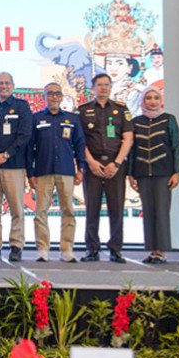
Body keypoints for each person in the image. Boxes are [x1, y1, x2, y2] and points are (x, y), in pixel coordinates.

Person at [27, 82, 86, 262]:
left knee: (68, 210)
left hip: (67, 171)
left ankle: (67, 249)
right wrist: (30, 173)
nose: (53, 96)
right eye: (50, 93)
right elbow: (30, 148)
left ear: (61, 97)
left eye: (57, 94)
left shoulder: (72, 119)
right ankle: (43, 248)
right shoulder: (36, 119)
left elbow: (80, 145)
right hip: (43, 171)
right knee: (41, 211)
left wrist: (81, 169)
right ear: (44, 97)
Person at [78, 73, 134, 263]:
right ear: (92, 88)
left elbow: (128, 138)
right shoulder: (83, 111)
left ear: (111, 88)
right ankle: (92, 249)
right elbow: (80, 141)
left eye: (107, 85)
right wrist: (91, 163)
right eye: (99, 85)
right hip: (92, 165)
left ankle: (116, 249)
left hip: (115, 165)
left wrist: (117, 163)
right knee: (92, 208)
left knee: (116, 208)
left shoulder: (121, 109)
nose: (103, 88)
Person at [0, 72, 32, 262]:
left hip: (14, 166)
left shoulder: (22, 106)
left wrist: (5, 155)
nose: (3, 86)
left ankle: (16, 245)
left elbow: (25, 135)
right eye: (0, 83)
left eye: (7, 83)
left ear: (13, 85)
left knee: (17, 208)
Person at [127, 85, 179, 264]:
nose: (152, 101)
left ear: (160, 100)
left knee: (162, 211)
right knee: (148, 211)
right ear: (143, 101)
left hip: (163, 172)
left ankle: (161, 252)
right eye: (149, 98)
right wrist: (131, 174)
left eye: (156, 98)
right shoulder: (136, 122)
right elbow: (132, 150)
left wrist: (176, 172)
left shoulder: (169, 119)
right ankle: (152, 250)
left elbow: (175, 146)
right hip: (142, 172)